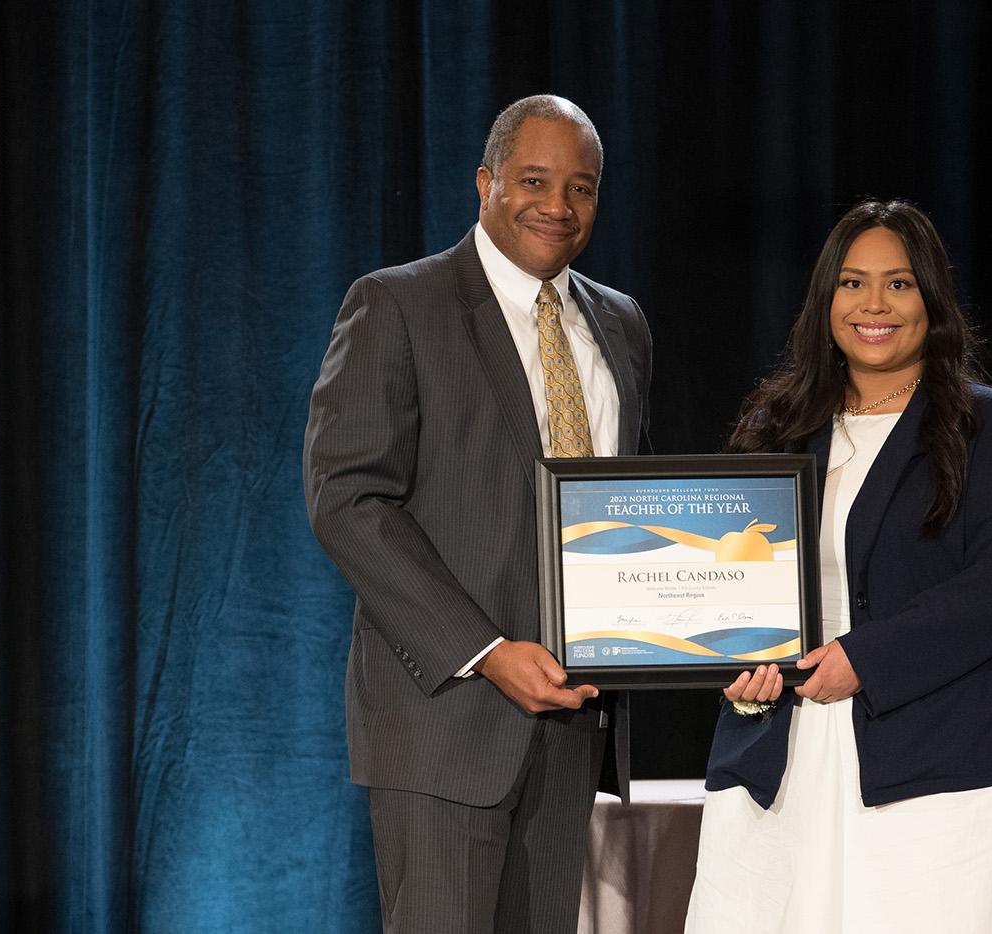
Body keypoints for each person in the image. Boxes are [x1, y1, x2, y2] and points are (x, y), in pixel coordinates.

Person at [684, 201, 992, 932]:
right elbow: (731, 583)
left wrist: (864, 660)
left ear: (932, 299)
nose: (874, 305)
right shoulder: (774, 429)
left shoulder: (987, 424)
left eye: (898, 284)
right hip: (785, 756)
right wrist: (729, 664)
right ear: (824, 301)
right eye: (852, 283)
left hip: (947, 761)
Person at [303, 95, 651, 934]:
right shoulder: (397, 305)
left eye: (582, 187)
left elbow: (628, 508)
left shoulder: (624, 326)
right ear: (486, 183)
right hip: (445, 723)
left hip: (573, 724)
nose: (558, 207)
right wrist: (488, 652)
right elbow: (347, 498)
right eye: (534, 180)